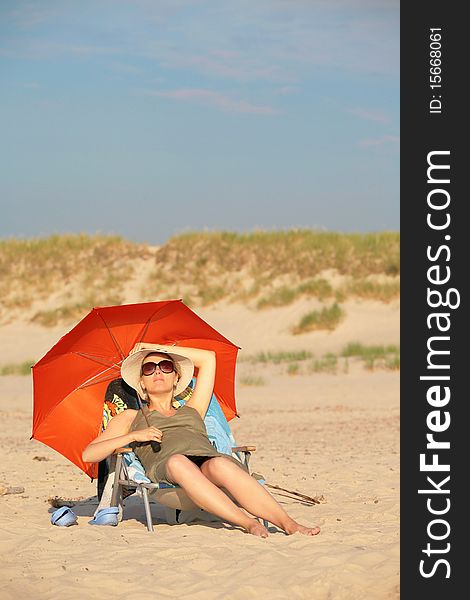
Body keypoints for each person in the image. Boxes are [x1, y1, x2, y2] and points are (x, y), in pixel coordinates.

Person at [82, 343, 320, 538]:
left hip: (208, 467)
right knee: (178, 461)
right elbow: (89, 454)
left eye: (165, 366)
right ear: (141, 383)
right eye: (148, 368)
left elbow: (208, 360)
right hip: (170, 477)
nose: (157, 372)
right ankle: (247, 523)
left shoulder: (193, 408)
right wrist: (134, 435)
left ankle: (289, 524)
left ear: (176, 378)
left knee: (220, 463)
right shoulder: (131, 417)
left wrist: (152, 347)